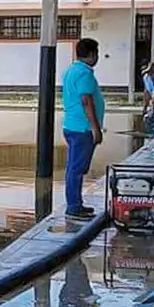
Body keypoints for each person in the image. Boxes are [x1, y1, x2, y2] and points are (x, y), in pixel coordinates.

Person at [61, 38, 105, 220]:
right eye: (97, 53)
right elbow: (86, 101)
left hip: (71, 126)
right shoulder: (85, 74)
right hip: (82, 129)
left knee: (74, 167)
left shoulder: (72, 70)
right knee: (76, 169)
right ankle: (74, 207)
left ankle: (75, 204)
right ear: (92, 54)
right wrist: (95, 128)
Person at [141, 62, 154, 135]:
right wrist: (145, 107)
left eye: (149, 71)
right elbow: (147, 92)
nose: (148, 73)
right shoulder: (146, 77)